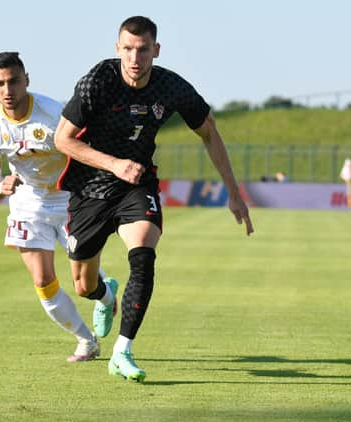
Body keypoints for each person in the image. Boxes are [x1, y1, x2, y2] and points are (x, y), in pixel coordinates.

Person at [54, 16, 254, 382]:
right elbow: (63, 139)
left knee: (144, 257)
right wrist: (113, 164)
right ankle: (105, 295)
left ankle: (122, 351)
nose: (135, 57)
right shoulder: (97, 81)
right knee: (83, 284)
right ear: (117, 49)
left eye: (143, 49)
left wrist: (234, 193)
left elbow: (209, 131)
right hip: (92, 188)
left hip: (137, 185)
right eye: (128, 49)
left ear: (155, 51)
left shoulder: (170, 87)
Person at [0, 52, 118, 362]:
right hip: (28, 203)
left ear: (26, 80)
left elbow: (86, 151)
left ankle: (107, 296)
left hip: (70, 199)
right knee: (42, 280)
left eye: (13, 81)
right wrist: (0, 187)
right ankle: (85, 339)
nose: (7, 90)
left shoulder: (53, 113)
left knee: (84, 280)